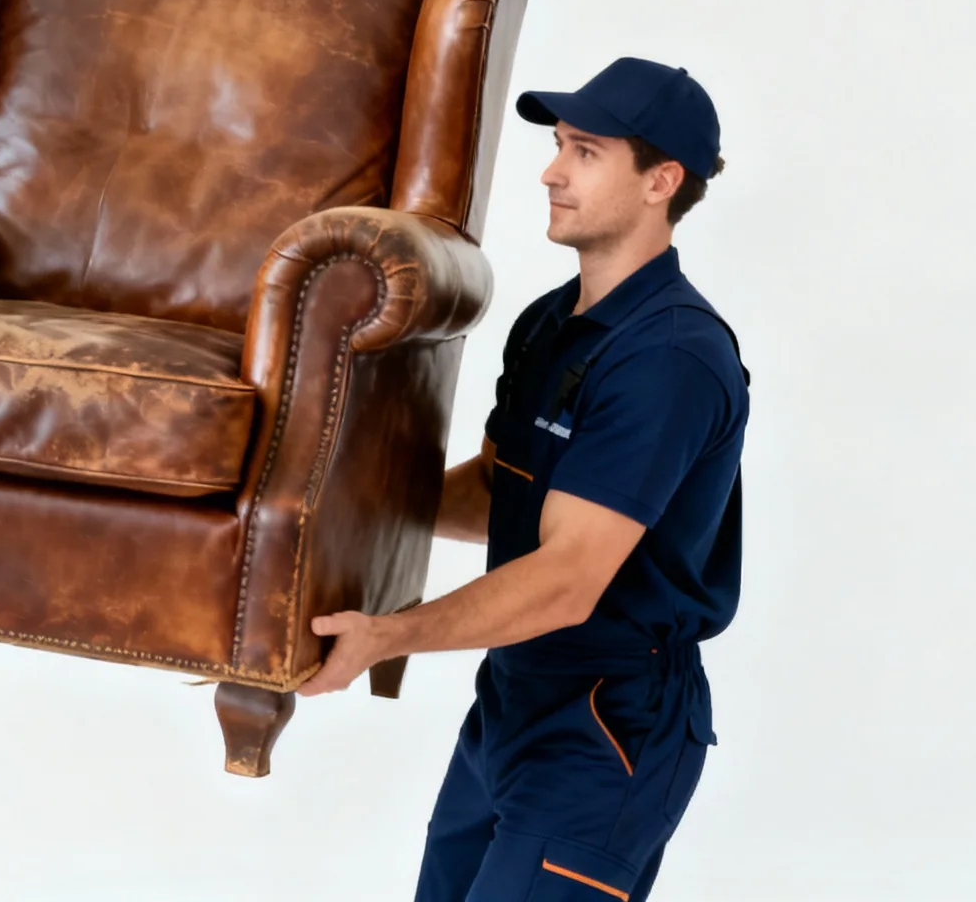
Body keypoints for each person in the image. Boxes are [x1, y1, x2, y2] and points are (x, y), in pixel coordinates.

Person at [301, 57, 749, 901]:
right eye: (556, 146)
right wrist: (331, 504)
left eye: (585, 152)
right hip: (512, 698)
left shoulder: (671, 359)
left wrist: (387, 636)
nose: (550, 171)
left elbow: (568, 578)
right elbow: (502, 490)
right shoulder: (552, 323)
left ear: (662, 180)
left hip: (608, 725)